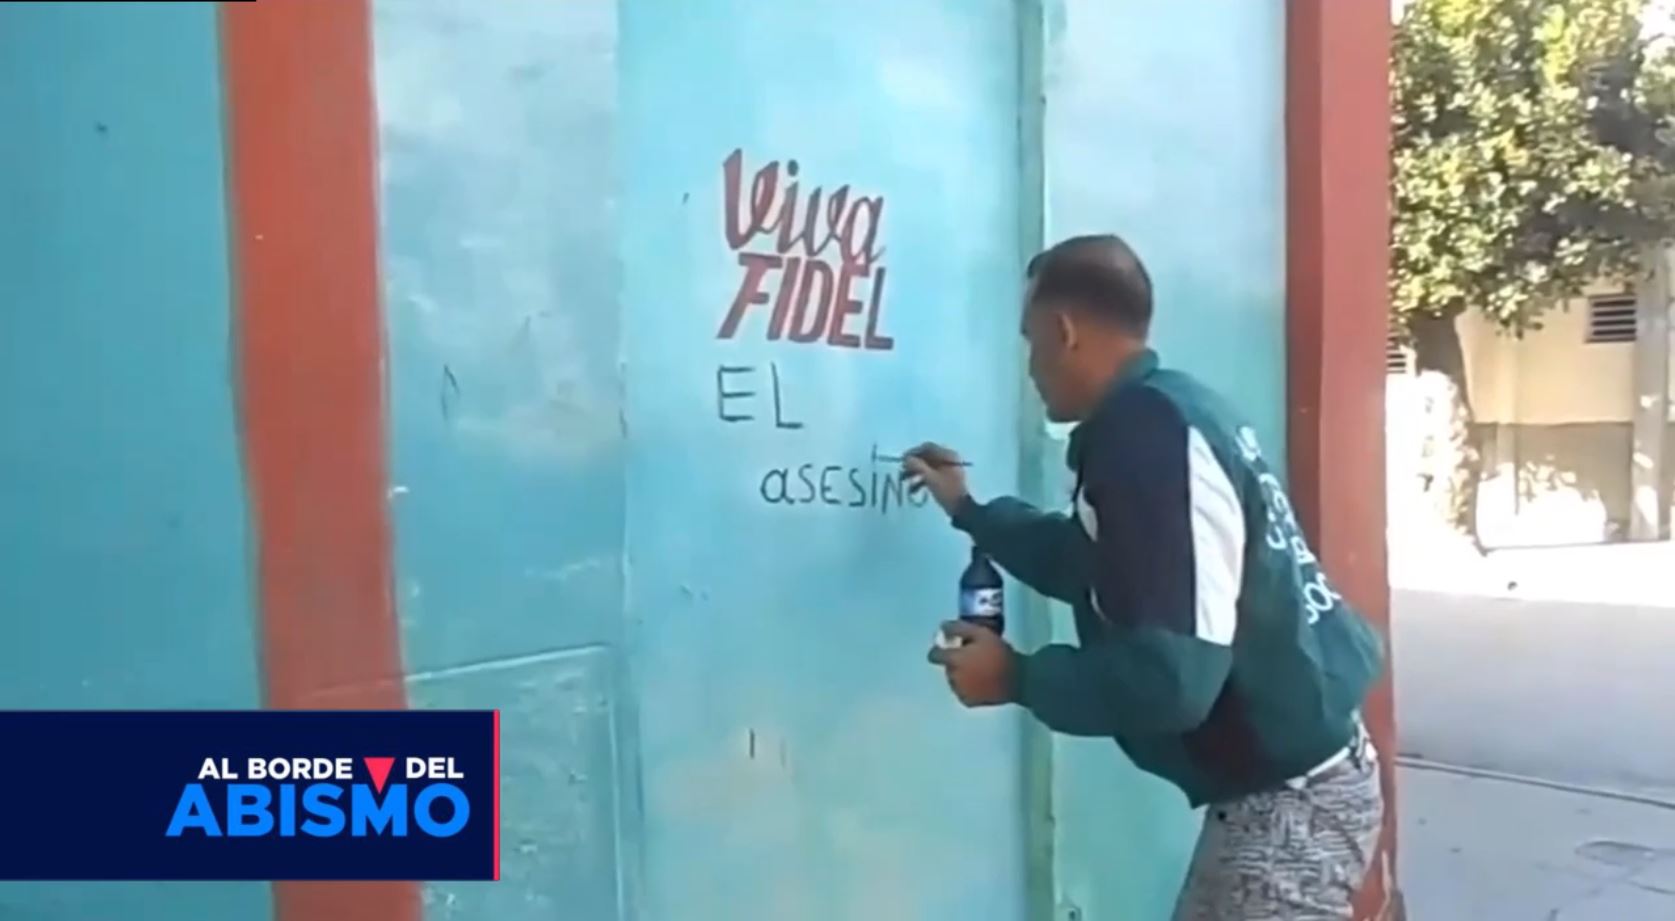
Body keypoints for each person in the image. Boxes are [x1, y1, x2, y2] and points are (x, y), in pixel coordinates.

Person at [904, 234, 1386, 920]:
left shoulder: (1146, 440)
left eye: (1030, 341)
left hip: (1290, 802)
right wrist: (969, 510)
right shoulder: (1170, 412)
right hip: (1299, 783)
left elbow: (1172, 681)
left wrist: (1017, 678)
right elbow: (1088, 560)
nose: (1030, 366)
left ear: (1063, 331)